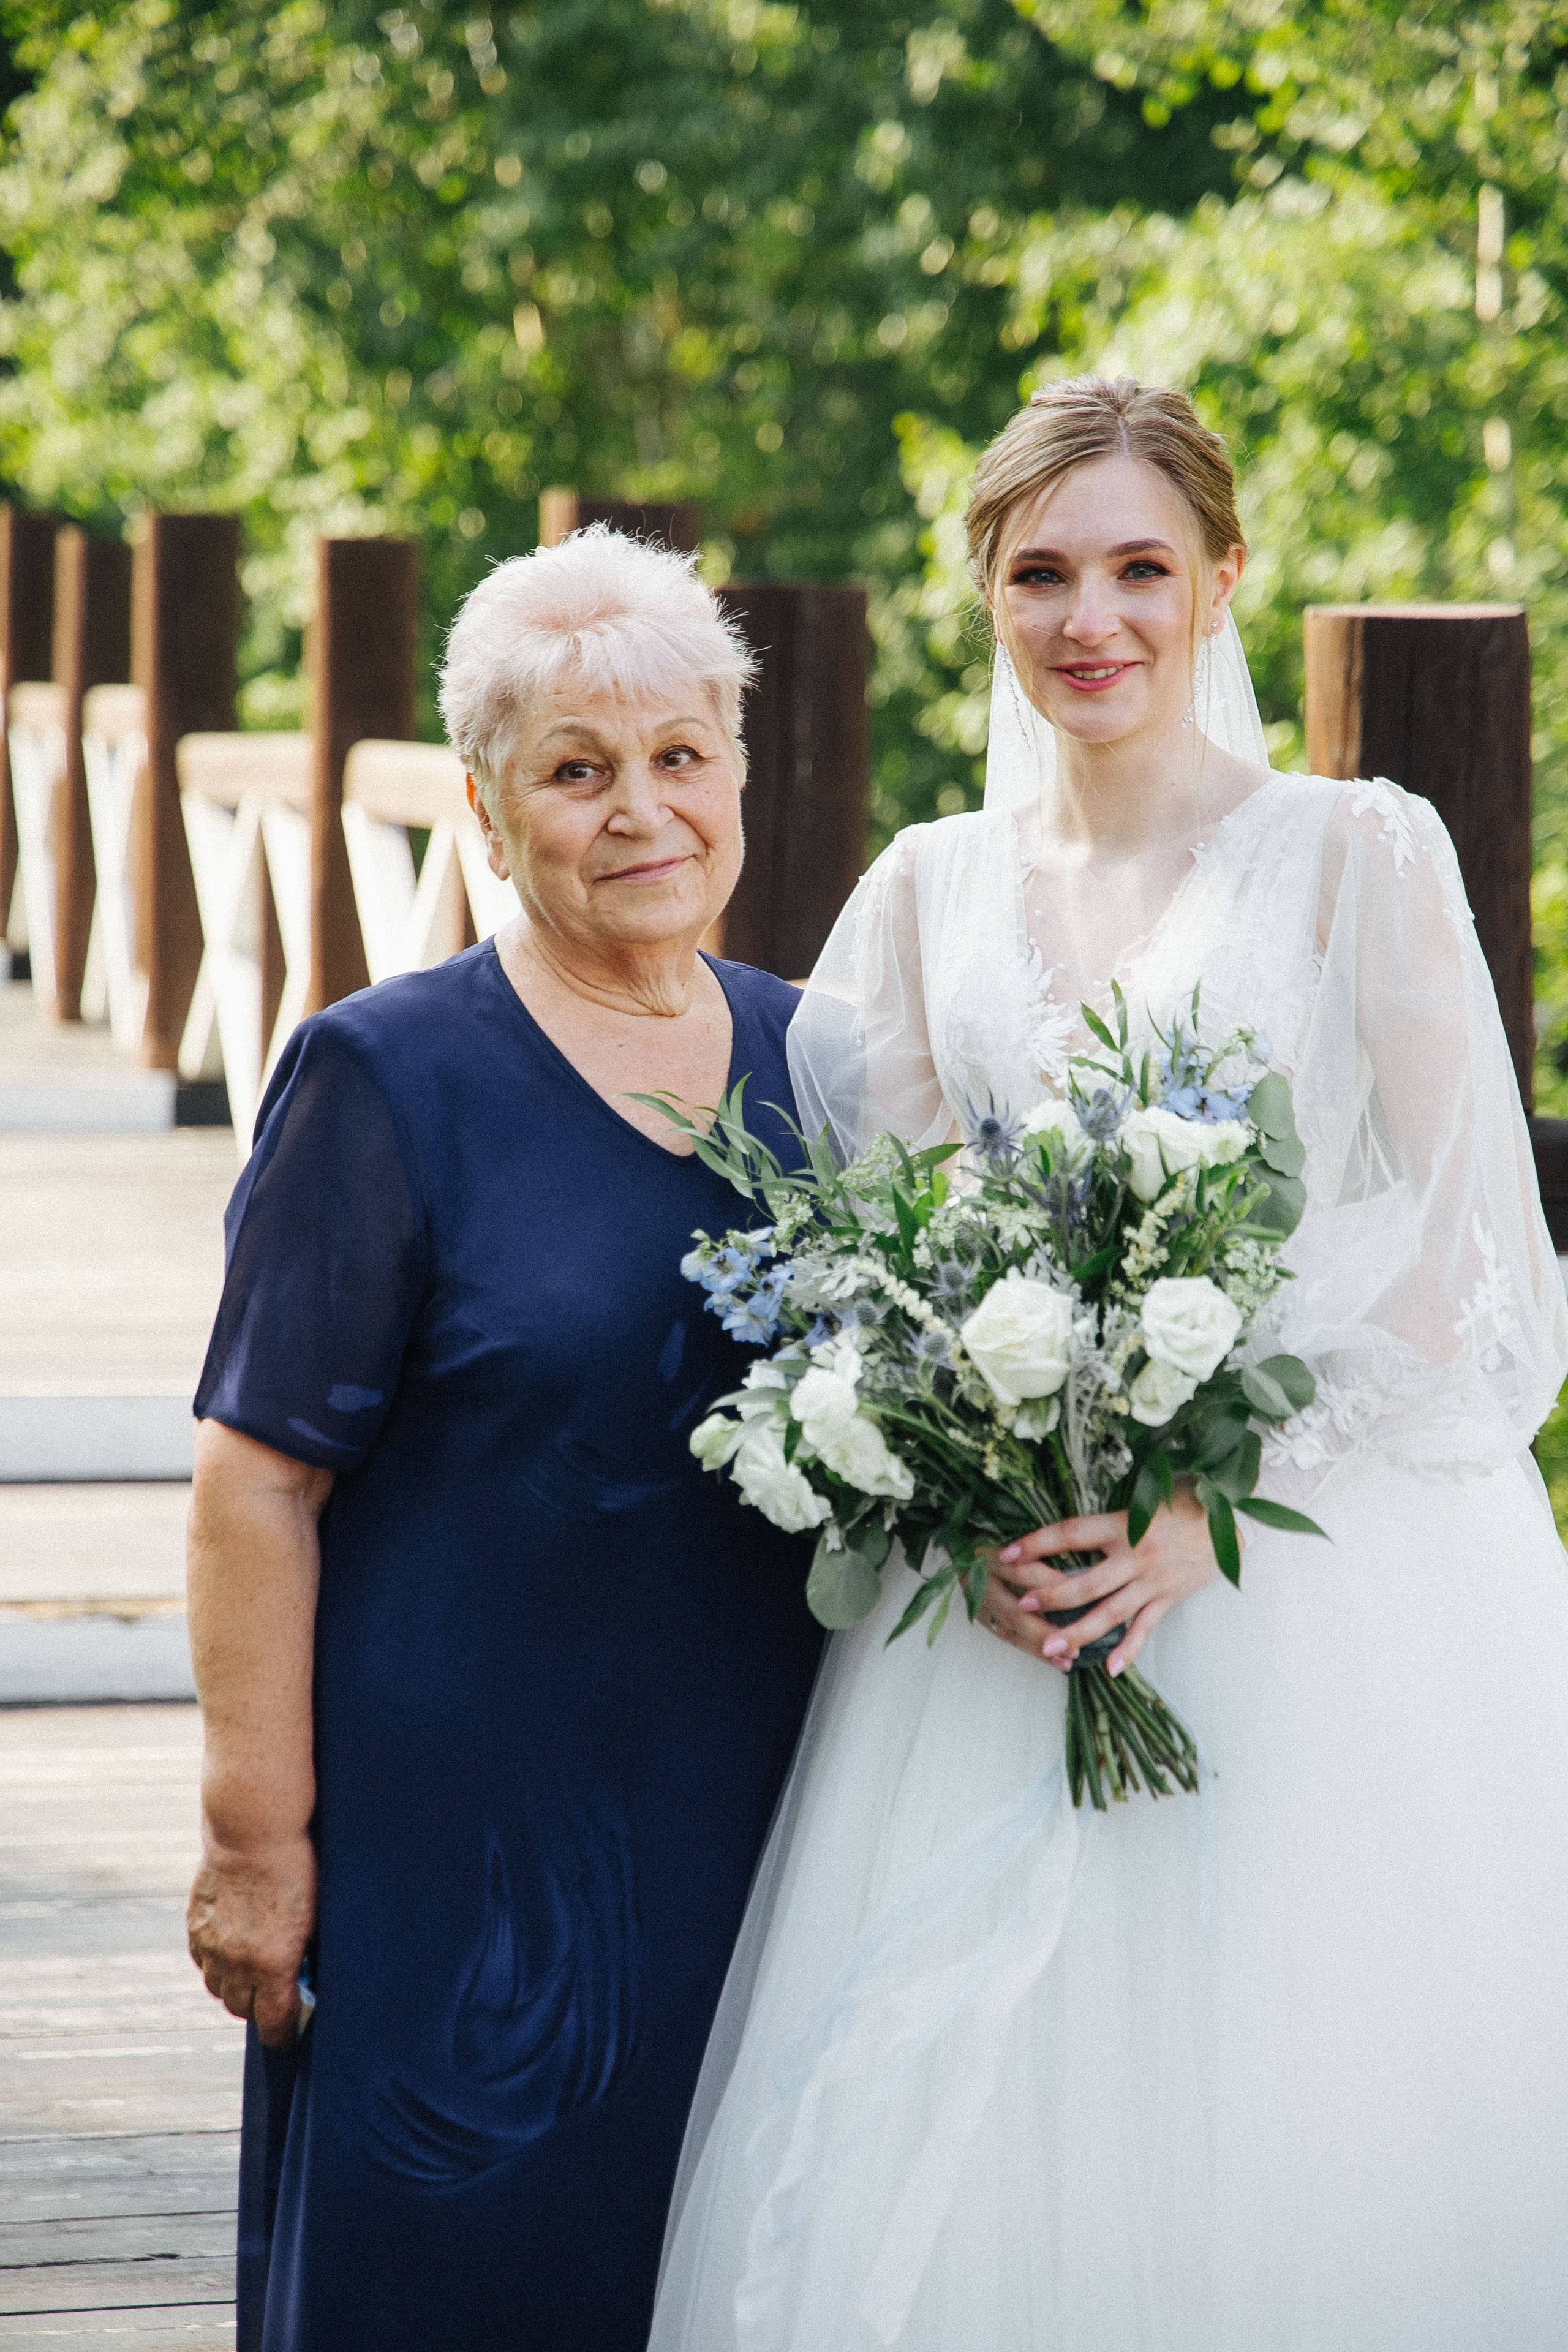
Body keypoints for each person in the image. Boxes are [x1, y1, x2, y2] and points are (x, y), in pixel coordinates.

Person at [650, 377, 1568, 2351]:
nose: (1096, 620)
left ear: (1224, 580)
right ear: (986, 591)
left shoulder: (1356, 855)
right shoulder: (918, 895)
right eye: (1044, 572)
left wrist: (1196, 1502)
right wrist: (964, 1495)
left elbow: (1476, 1266)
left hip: (1320, 1579)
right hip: (1019, 1606)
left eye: (1145, 568)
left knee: (1313, 2108)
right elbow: (880, 1269)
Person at [183, 528, 824, 2352]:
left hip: (773, 1839)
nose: (643, 811)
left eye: (682, 757)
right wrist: (256, 1837)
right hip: (461, 1878)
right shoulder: (385, 1078)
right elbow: (257, 1479)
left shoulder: (834, 1069)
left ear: (739, 773)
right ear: (485, 803)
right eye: (577, 769)